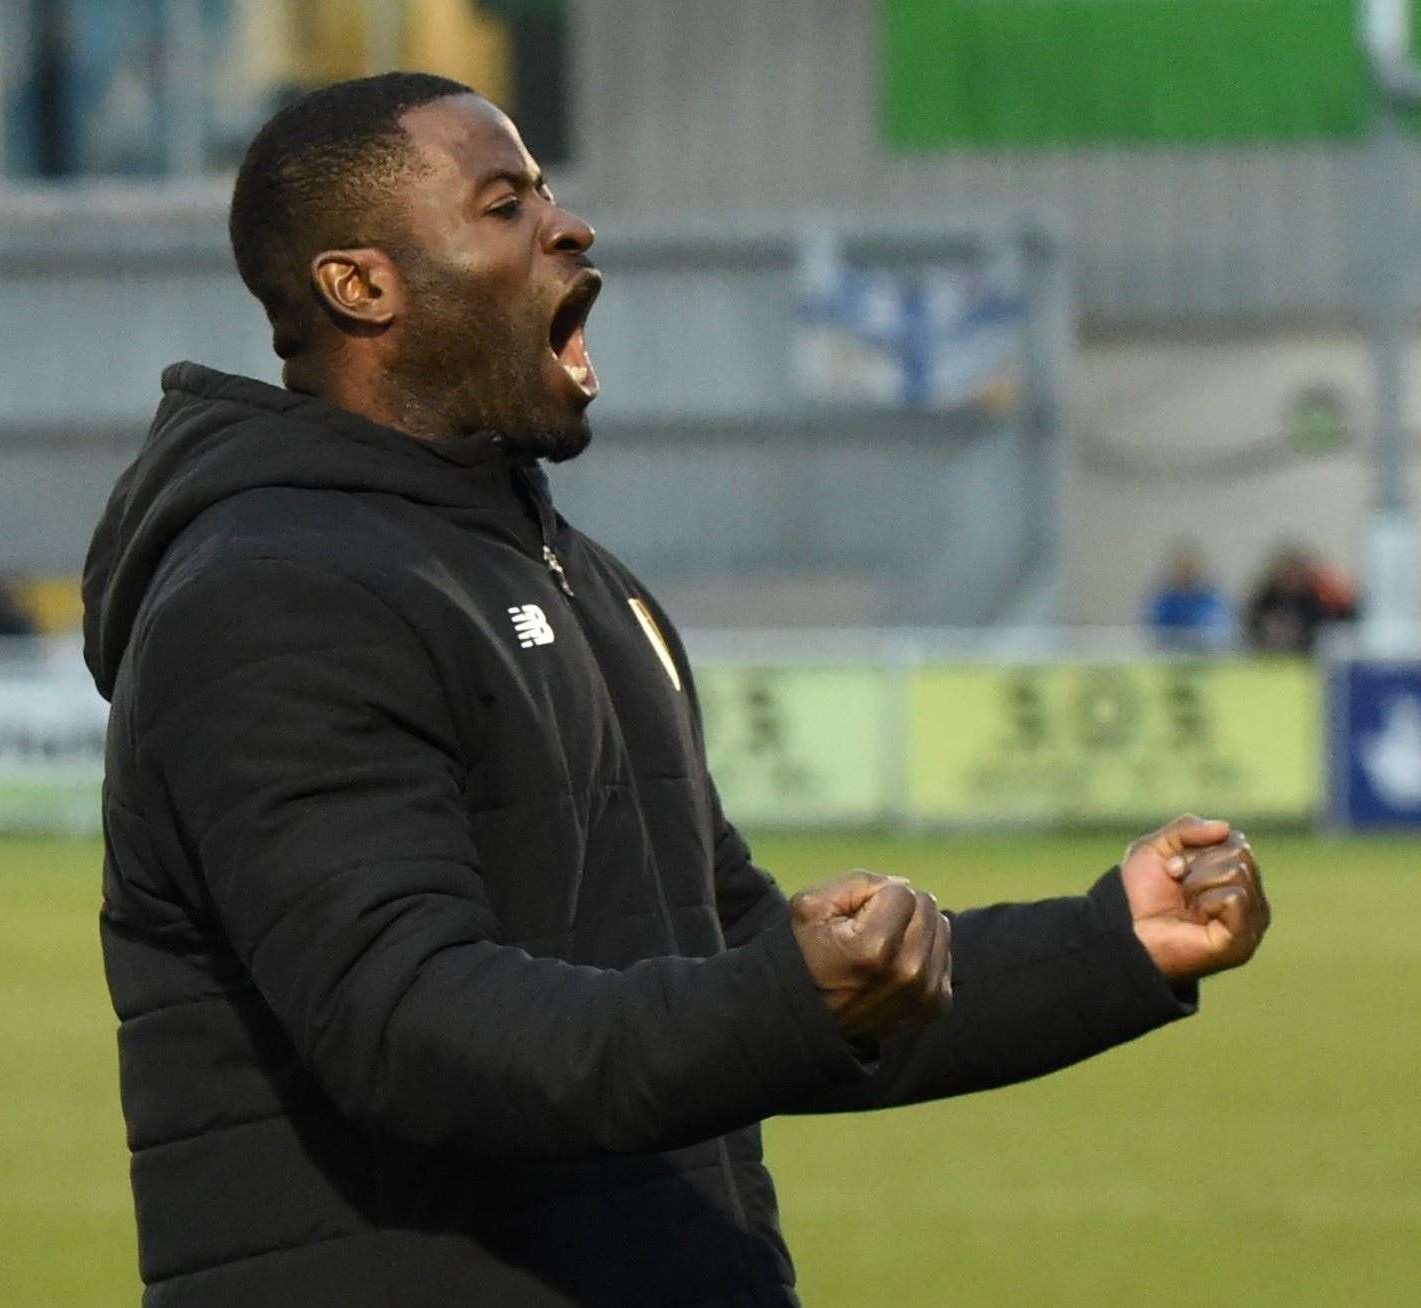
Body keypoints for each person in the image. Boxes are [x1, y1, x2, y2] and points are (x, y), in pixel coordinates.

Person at [81, 74, 1270, 1307]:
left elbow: (727, 961)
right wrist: (788, 993)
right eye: (505, 203)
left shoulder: (574, 577)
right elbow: (411, 1024)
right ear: (360, 286)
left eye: (546, 189)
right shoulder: (274, 594)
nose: (568, 224)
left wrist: (1112, 942)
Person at [1243, 543, 1336, 654]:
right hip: (1266, 658)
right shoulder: (1265, 599)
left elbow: (1323, 630)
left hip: (1305, 658)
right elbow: (1251, 626)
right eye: (1286, 571)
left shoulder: (1312, 601)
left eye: (1294, 572)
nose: (1290, 577)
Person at [1144, 543, 1233, 652]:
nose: (1186, 572)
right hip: (1169, 656)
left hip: (1204, 656)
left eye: (1190, 568)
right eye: (1181, 568)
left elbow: (1219, 629)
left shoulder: (1210, 600)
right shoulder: (1164, 601)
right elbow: (1153, 630)